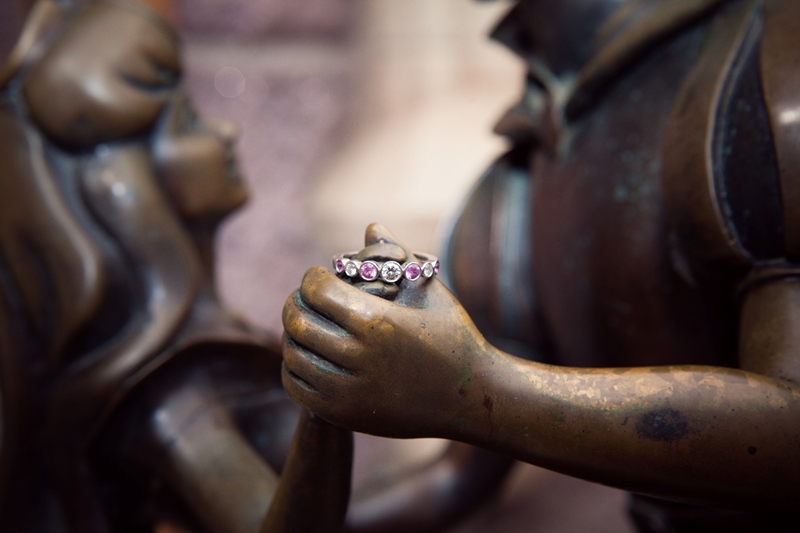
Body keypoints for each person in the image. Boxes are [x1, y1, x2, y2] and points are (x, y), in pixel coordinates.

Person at [282, 0, 800, 531]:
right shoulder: (514, 186)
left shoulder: (770, 66)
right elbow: (449, 484)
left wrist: (475, 388)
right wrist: (326, 396)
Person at [0, 1, 351, 531]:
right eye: (191, 120)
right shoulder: (174, 399)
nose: (227, 129)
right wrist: (333, 405)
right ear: (132, 193)